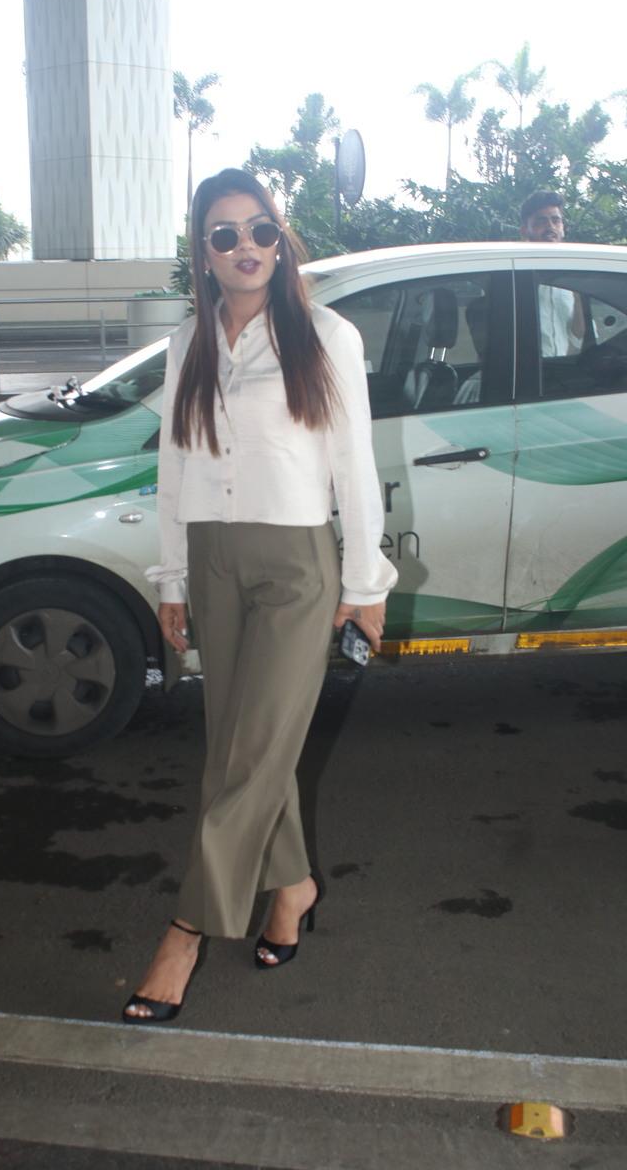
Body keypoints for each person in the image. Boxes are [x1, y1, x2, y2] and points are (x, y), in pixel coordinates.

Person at [123, 168, 397, 1025]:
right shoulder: (190, 343)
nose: (245, 247)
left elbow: (354, 465)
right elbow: (175, 465)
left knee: (244, 761)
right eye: (225, 234)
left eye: (260, 230)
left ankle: (185, 931)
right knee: (246, 750)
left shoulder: (325, 335)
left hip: (295, 567)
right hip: (212, 560)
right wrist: (171, 576)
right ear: (202, 253)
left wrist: (366, 581)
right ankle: (293, 887)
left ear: (281, 240)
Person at [520, 189, 584, 357]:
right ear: (525, 230)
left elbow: (578, 337)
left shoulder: (572, 275)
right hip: (521, 370)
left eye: (556, 220)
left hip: (558, 369)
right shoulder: (512, 274)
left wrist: (578, 295)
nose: (550, 226)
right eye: (541, 221)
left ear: (563, 228)